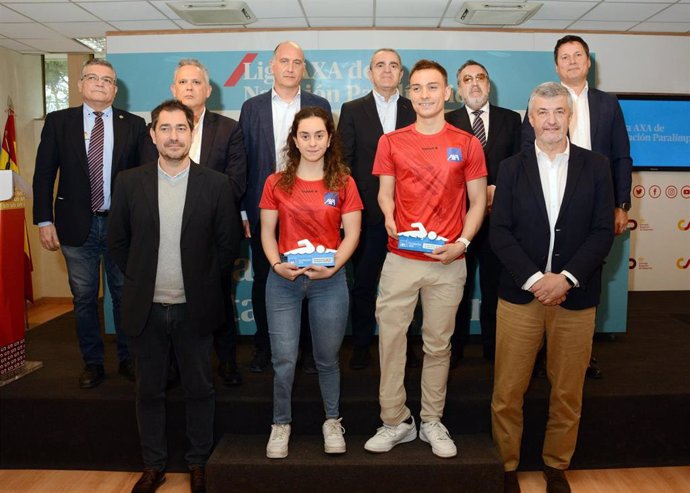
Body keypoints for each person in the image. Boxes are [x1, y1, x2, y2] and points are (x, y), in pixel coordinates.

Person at [108, 99, 240, 493]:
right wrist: (141, 279)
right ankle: (154, 465)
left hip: (195, 308)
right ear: (152, 135)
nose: (173, 136)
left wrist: (199, 282)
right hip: (145, 309)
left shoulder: (215, 184)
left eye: (181, 128)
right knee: (148, 391)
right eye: (164, 128)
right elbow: (117, 242)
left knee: (200, 389)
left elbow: (227, 245)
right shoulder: (130, 182)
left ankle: (198, 462)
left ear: (192, 132)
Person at [491, 82, 614, 493]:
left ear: (570, 116)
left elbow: (601, 233)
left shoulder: (596, 166)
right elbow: (501, 233)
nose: (550, 120)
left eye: (558, 111)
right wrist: (535, 280)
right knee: (508, 391)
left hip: (575, 298)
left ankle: (556, 466)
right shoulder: (510, 169)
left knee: (567, 391)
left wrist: (565, 279)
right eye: (542, 112)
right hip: (520, 296)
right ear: (530, 116)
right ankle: (506, 467)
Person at [364, 59, 487, 459]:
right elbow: (385, 192)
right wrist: (387, 215)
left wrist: (463, 243)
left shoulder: (467, 143)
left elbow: (477, 202)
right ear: (408, 93)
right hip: (400, 258)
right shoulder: (391, 141)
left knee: (438, 346)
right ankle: (395, 421)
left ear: (447, 93)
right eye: (416, 88)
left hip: (448, 261)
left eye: (432, 87)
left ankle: (432, 419)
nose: (424, 95)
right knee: (392, 342)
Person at [522, 35, 633, 379]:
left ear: (588, 63)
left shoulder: (608, 103)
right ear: (556, 66)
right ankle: (540, 350)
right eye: (564, 57)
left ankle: (580, 355)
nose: (571, 62)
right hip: (549, 199)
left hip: (593, 202)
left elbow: (621, 155)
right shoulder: (542, 101)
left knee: (586, 273)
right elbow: (526, 153)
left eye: (578, 56)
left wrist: (621, 204)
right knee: (545, 265)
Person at [32, 58, 146, 389]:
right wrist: (43, 219)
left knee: (124, 295)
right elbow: (43, 174)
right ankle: (93, 363)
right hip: (74, 226)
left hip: (120, 227)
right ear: (81, 84)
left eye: (107, 79)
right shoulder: (58, 122)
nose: (100, 83)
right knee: (83, 298)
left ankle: (128, 359)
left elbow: (142, 180)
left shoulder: (134, 125)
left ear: (115, 89)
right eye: (93, 78)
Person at [260, 106, 362, 459]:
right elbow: (266, 232)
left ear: (330, 138)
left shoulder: (344, 181)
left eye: (320, 135)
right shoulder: (276, 181)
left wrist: (334, 267)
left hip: (328, 282)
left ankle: (332, 421)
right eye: (305, 135)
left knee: (327, 358)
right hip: (285, 282)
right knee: (284, 359)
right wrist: (275, 264)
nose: (313, 142)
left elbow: (352, 234)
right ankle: (280, 424)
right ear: (294, 139)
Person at [141, 58, 247, 387]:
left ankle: (227, 361)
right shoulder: (158, 128)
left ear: (208, 90)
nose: (189, 87)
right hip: (166, 232)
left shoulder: (229, 128)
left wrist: (198, 200)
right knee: (171, 306)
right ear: (173, 89)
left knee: (220, 299)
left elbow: (236, 182)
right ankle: (172, 365)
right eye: (183, 82)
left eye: (196, 82)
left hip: (214, 232)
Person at [239, 41, 331, 373]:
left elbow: (330, 156)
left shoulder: (319, 105)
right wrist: (243, 210)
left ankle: (305, 350)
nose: (290, 67)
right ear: (272, 66)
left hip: (310, 210)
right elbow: (243, 160)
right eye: (284, 61)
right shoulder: (252, 107)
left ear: (303, 69)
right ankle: (265, 346)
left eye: (297, 62)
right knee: (265, 278)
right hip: (264, 208)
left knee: (309, 277)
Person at [337, 48, 418, 370]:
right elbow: (343, 163)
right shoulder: (353, 109)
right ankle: (360, 346)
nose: (387, 71)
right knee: (365, 283)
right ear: (370, 72)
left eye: (393, 66)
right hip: (368, 216)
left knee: (408, 285)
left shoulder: (416, 109)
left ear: (402, 74)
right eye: (380, 65)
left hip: (411, 215)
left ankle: (406, 347)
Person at [445, 59, 521, 364]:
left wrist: (497, 188)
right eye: (467, 79)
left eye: (480, 78)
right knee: (456, 290)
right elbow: (445, 172)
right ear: (459, 89)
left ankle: (494, 351)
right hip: (459, 221)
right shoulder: (447, 121)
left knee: (494, 289)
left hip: (500, 221)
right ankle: (455, 351)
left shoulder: (511, 120)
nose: (474, 83)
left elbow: (519, 163)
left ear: (489, 85)